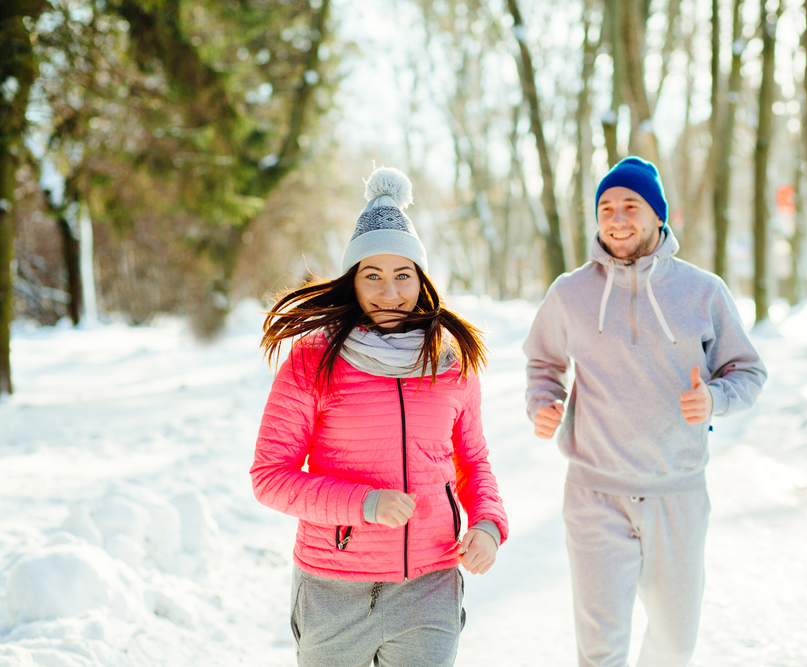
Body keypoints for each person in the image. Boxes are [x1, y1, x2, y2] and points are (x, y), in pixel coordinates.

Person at [251, 166, 508, 667]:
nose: (389, 292)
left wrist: (489, 524)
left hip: (429, 586)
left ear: (421, 279)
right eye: (373, 275)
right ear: (352, 280)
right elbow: (269, 478)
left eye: (402, 275)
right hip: (333, 590)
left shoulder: (449, 361)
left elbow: (473, 463)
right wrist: (364, 504)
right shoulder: (313, 359)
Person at [523, 156, 767, 667]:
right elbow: (543, 361)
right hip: (594, 493)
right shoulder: (571, 293)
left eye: (630, 206)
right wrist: (543, 401)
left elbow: (747, 372)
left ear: (658, 215)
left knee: (675, 645)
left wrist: (714, 400)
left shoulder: (704, 292)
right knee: (600, 649)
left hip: (675, 492)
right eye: (605, 207)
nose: (616, 218)